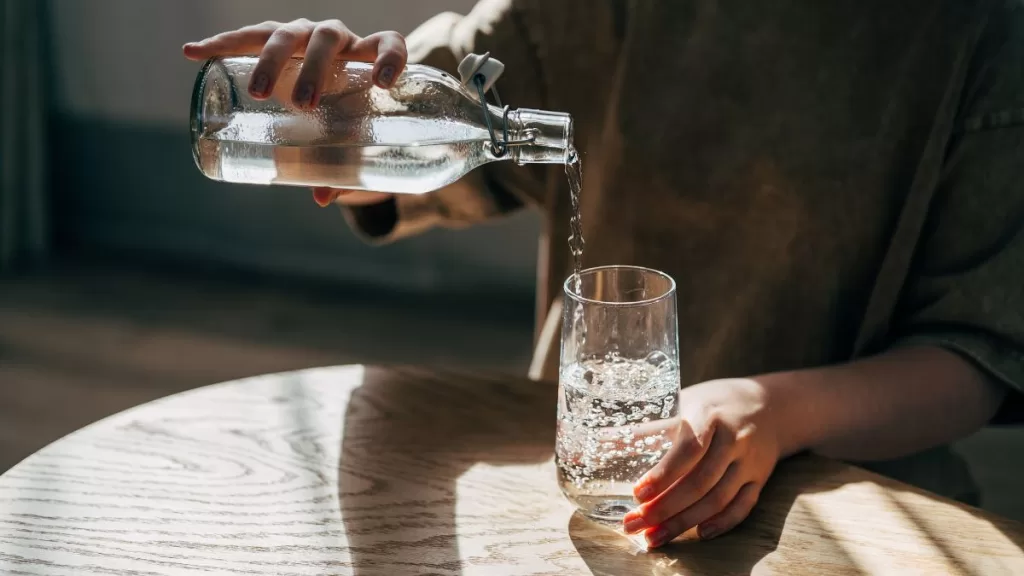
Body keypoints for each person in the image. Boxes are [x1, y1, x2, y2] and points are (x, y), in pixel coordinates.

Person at [183, 0, 1024, 549]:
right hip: (589, 506)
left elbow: (977, 354)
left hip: (854, 508)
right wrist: (330, 110)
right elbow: (413, 153)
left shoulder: (982, 36)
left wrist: (774, 410)